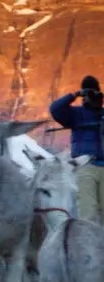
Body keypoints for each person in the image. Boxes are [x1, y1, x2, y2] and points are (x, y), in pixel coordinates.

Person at [50, 75, 104, 223]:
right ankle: (88, 243)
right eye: (88, 94)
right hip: (85, 166)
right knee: (88, 211)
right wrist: (73, 95)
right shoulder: (76, 114)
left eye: (96, 94)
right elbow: (55, 109)